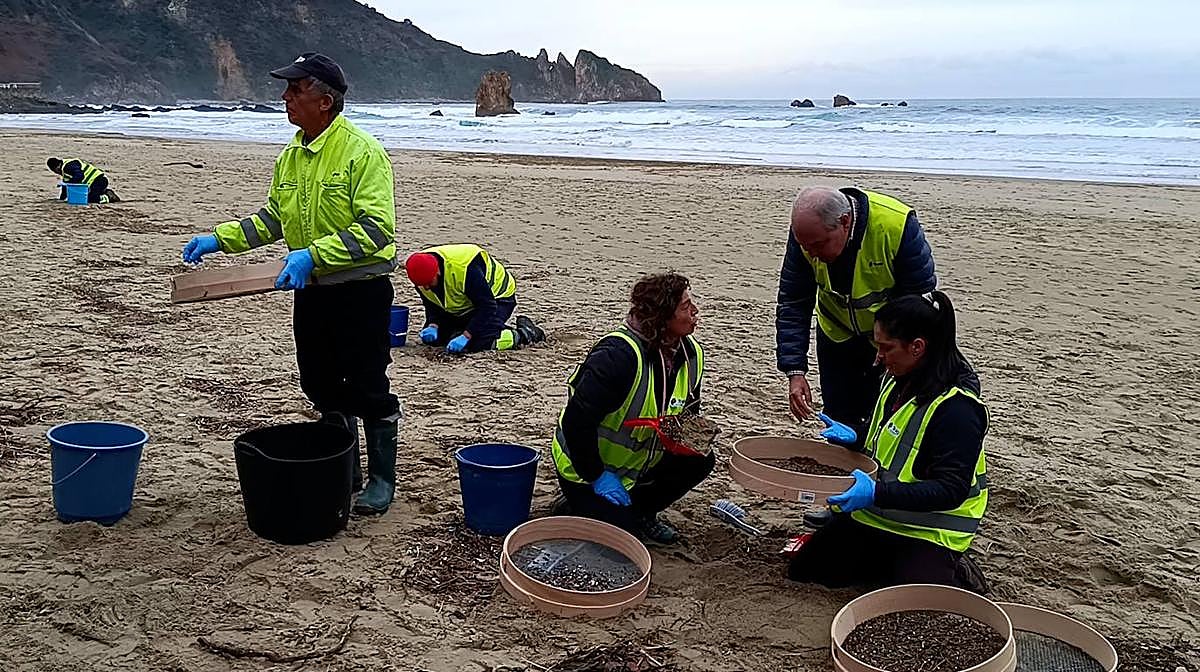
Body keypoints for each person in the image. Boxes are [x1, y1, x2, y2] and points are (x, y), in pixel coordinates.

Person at [179, 52, 403, 515]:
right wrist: (218, 239)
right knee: (319, 382)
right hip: (312, 292)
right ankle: (348, 469)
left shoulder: (363, 152)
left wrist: (312, 254)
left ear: (324, 101)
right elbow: (272, 220)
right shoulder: (291, 156)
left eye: (295, 90)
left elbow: (378, 231)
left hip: (360, 290)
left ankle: (382, 481)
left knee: (367, 383)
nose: (285, 97)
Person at [787, 291, 990, 593]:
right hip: (875, 516)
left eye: (886, 348)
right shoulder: (896, 379)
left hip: (930, 532)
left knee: (913, 600)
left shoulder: (958, 409)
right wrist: (857, 436)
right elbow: (892, 436)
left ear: (917, 347)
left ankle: (957, 570)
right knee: (805, 570)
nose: (878, 357)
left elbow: (951, 489)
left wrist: (876, 493)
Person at [550, 272, 713, 544]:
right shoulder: (617, 356)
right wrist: (598, 476)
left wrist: (684, 436)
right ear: (662, 317)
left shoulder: (691, 353)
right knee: (616, 539)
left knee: (700, 459)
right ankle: (575, 505)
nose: (695, 311)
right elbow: (577, 423)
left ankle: (642, 512)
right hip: (585, 469)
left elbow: (687, 410)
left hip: (638, 465)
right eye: (685, 307)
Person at [776, 186, 936, 446]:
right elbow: (793, 302)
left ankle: (881, 483)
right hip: (836, 335)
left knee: (888, 419)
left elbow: (919, 301)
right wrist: (795, 370)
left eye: (818, 245)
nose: (812, 253)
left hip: (889, 343)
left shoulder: (896, 225)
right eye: (805, 246)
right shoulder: (807, 235)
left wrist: (892, 349)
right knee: (839, 421)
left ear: (845, 222)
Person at [404, 244, 545, 354]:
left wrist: (467, 335)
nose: (426, 288)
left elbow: (487, 307)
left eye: (429, 283)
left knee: (478, 344)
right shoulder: (420, 277)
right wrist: (433, 325)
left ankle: (525, 334)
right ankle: (486, 329)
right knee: (438, 339)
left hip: (497, 299)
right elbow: (433, 304)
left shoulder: (465, 270)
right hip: (466, 304)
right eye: (421, 285)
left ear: (438, 272)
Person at [47, 157, 121, 203]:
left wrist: (70, 183)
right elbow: (66, 186)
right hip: (93, 183)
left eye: (55, 171)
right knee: (85, 198)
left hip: (99, 180)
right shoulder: (64, 170)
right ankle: (103, 192)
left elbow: (80, 176)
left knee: (92, 199)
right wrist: (61, 199)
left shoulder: (69, 166)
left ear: (56, 168)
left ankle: (109, 197)